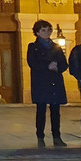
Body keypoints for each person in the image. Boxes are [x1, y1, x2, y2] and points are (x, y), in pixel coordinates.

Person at [27, 19, 68, 147]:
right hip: (41, 82)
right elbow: (32, 63)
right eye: (43, 30)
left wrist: (57, 67)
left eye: (49, 30)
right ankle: (40, 136)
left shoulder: (56, 47)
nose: (47, 32)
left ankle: (57, 136)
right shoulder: (33, 47)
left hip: (55, 81)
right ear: (37, 32)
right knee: (41, 110)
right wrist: (47, 66)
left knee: (56, 110)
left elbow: (64, 63)